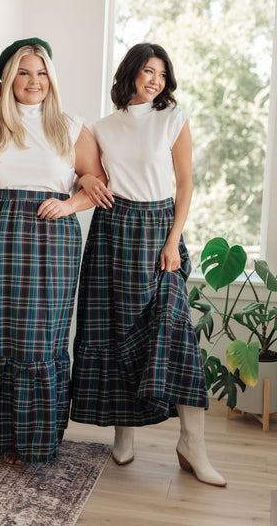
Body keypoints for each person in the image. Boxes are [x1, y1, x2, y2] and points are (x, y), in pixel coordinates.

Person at [0, 37, 109, 466]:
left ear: (51, 78)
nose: (34, 81)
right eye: (23, 72)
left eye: (41, 73)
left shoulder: (71, 126)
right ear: (7, 77)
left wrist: (70, 204)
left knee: (38, 338)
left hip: (50, 237)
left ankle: (31, 440)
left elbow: (96, 182)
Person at [71, 42, 226, 487]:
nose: (155, 80)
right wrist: (84, 176)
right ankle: (124, 434)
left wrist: (173, 241)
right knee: (117, 333)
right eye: (147, 71)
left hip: (159, 232)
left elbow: (185, 185)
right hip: (113, 231)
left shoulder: (174, 119)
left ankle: (192, 444)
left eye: (161, 73)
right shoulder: (101, 127)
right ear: (131, 74)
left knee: (178, 337)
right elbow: (86, 174)